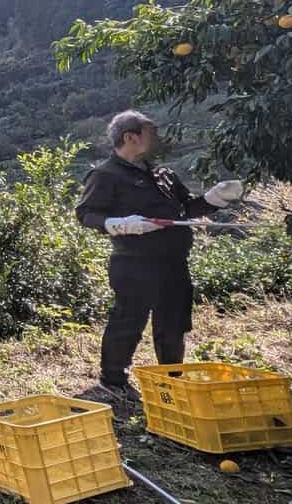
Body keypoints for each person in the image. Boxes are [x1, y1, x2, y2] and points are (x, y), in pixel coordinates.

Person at [75, 110, 244, 402]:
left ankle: (171, 377)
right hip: (133, 262)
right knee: (129, 320)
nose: (158, 139)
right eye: (152, 133)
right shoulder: (105, 174)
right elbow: (86, 214)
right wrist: (117, 224)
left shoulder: (163, 175)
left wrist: (214, 199)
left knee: (174, 321)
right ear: (131, 137)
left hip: (173, 261)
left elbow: (185, 211)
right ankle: (113, 380)